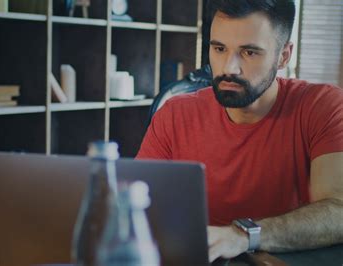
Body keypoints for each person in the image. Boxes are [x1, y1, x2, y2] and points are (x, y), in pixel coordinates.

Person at [136, 0, 343, 262]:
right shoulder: (175, 114)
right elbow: (136, 206)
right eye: (219, 48)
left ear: (283, 56)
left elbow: (338, 212)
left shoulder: (322, 107)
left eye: (250, 52)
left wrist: (243, 236)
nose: (229, 68)